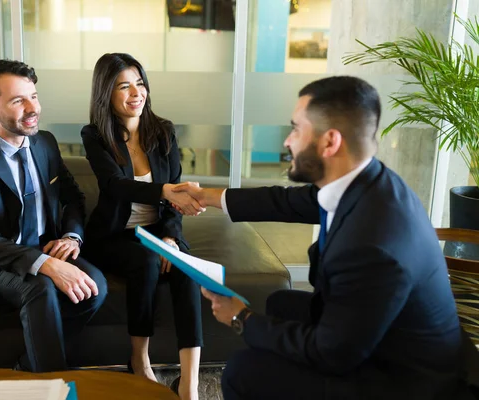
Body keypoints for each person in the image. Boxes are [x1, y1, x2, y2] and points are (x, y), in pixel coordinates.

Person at [173, 76, 470, 399]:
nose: (287, 141)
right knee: (280, 303)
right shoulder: (368, 182)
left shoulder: (371, 243)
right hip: (387, 340)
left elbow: (333, 352)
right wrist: (207, 196)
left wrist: (241, 318)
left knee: (243, 371)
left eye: (296, 129)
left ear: (330, 142)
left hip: (403, 380)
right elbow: (287, 201)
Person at [0, 59, 107, 373]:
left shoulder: (44, 142)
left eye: (33, 95)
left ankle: (29, 367)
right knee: (40, 287)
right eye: (18, 100)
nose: (32, 107)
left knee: (94, 285)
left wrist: (71, 237)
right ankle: (54, 383)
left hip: (44, 245)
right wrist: (48, 266)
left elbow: (72, 196)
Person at [80, 53, 203, 400]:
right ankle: (140, 358)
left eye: (140, 83)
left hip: (157, 231)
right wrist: (164, 191)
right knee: (147, 261)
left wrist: (169, 236)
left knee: (185, 269)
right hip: (114, 236)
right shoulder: (95, 135)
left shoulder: (163, 131)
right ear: (107, 93)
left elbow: (176, 192)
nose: (136, 92)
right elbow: (115, 185)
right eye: (124, 86)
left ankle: (189, 383)